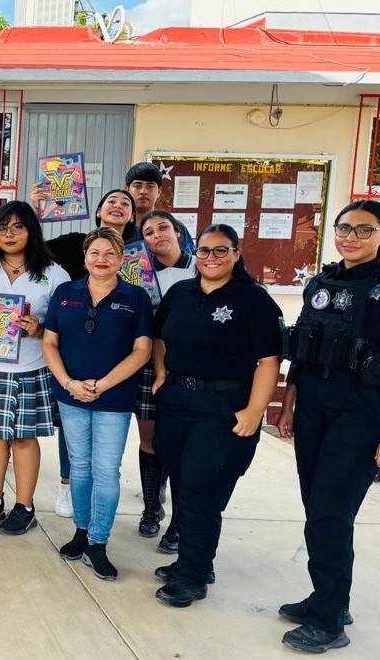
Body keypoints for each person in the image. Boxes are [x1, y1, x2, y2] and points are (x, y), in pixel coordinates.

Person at [150, 224, 282, 608]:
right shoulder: (180, 293)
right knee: (182, 481)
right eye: (205, 251)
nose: (211, 258)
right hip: (177, 402)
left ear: (237, 254)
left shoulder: (253, 300)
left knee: (200, 488)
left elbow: (269, 359)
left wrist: (256, 410)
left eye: (220, 251)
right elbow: (160, 338)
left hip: (222, 407)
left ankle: (192, 576)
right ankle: (195, 559)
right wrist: (161, 373)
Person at [276, 200, 380, 654]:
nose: (351, 237)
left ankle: (329, 620)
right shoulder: (322, 282)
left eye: (364, 230)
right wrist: (288, 404)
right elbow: (303, 350)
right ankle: (329, 597)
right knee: (317, 508)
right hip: (315, 406)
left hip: (362, 413)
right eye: (344, 228)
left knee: (330, 514)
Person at [42, 227, 153, 579]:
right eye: (94, 253)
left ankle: (98, 542)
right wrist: (69, 383)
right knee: (80, 466)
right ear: (85, 257)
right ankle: (81, 530)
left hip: (114, 398)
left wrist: (102, 384)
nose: (101, 260)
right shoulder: (65, 292)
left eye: (109, 254)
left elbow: (142, 350)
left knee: (106, 470)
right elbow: (49, 343)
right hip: (72, 395)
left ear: (121, 259)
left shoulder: (136, 297)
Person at [0, 201, 71, 533]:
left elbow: (62, 327)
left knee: (23, 438)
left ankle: (25, 506)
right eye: (3, 227)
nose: (9, 234)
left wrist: (38, 328)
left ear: (31, 231)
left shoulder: (53, 273)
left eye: (17, 227)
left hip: (31, 366)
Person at [134, 211, 197, 551]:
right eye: (148, 231)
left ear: (177, 232)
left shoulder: (199, 267)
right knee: (151, 439)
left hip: (190, 367)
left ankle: (179, 522)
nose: (157, 235)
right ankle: (150, 508)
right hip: (147, 363)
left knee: (182, 446)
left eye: (163, 228)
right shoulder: (139, 272)